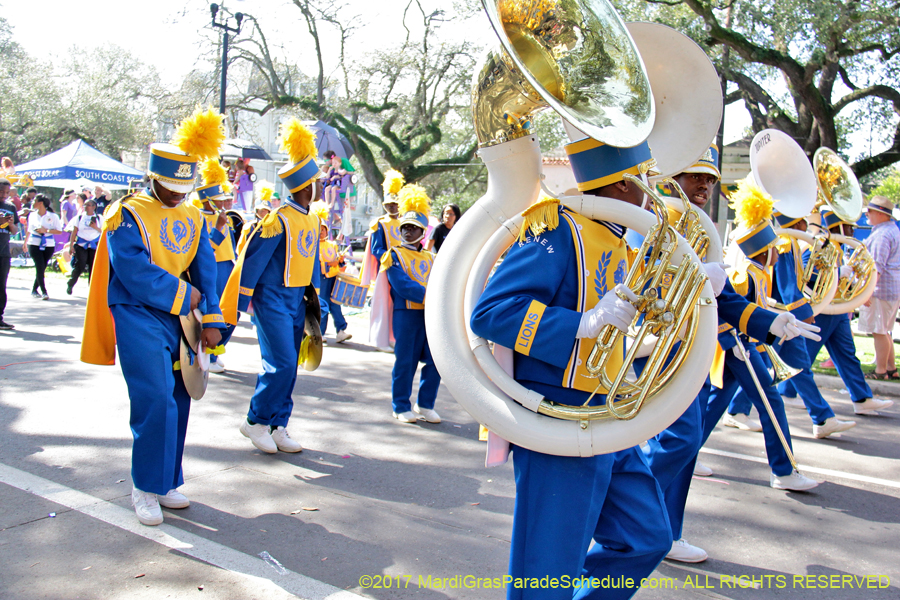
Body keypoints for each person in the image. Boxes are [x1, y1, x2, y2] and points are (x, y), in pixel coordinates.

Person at [470, 138, 677, 599]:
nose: (653, 186)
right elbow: (492, 312)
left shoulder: (622, 240)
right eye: (645, 176)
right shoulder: (557, 227)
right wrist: (582, 324)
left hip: (606, 413)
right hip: (559, 416)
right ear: (622, 185)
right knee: (546, 570)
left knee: (645, 538)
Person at [80, 106, 226, 527]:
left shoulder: (194, 214)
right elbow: (134, 271)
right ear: (154, 178)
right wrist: (188, 295)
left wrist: (212, 317)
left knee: (180, 395)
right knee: (156, 396)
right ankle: (144, 486)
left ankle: (167, 480)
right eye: (171, 186)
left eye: (185, 186)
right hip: (136, 311)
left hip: (181, 317)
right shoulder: (126, 213)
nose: (179, 193)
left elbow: (206, 270)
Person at [702, 177, 820, 492]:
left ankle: (689, 451)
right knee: (771, 401)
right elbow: (726, 309)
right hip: (735, 345)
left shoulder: (758, 273)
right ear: (763, 251)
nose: (778, 256)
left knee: (717, 402)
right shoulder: (743, 276)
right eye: (773, 250)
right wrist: (736, 343)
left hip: (741, 346)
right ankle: (783, 470)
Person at [221, 118, 322, 455]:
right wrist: (239, 304)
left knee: (290, 365)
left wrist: (314, 302)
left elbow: (312, 262)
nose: (320, 186)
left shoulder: (313, 218)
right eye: (317, 182)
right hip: (272, 298)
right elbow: (251, 263)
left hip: (297, 299)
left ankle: (279, 423)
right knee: (278, 363)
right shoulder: (276, 219)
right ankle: (255, 420)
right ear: (306, 186)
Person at [727, 209, 857, 439]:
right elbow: (788, 288)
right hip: (780, 317)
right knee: (772, 369)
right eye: (801, 221)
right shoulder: (785, 243)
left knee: (794, 366)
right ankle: (820, 418)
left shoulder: (790, 242)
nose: (805, 225)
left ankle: (821, 417)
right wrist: (804, 314)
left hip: (781, 317)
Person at [781, 208, 895, 415]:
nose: (852, 231)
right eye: (849, 227)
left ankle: (862, 397)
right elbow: (807, 273)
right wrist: (838, 273)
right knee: (803, 355)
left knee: (847, 355)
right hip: (824, 310)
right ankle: (786, 391)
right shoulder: (822, 244)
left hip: (837, 310)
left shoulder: (838, 248)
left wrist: (855, 290)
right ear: (839, 227)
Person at [377, 184, 440, 423]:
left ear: (423, 232)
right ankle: (400, 405)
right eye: (405, 227)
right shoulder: (393, 255)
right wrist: (432, 295)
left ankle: (425, 404)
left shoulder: (432, 258)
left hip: (430, 317)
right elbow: (402, 285)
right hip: (407, 316)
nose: (408, 232)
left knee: (436, 362)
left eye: (414, 228)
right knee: (405, 361)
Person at [195, 159, 239, 374]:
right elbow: (206, 250)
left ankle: (216, 351)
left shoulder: (222, 217)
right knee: (217, 312)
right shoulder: (200, 218)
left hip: (228, 267)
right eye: (218, 201)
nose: (223, 204)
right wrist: (219, 227)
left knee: (233, 312)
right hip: (214, 268)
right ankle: (210, 354)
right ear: (207, 201)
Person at [858, 195, 900, 379]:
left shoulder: (882, 234)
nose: (867, 213)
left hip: (881, 290)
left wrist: (866, 292)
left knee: (879, 331)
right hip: (890, 289)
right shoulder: (891, 230)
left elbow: (876, 267)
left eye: (871, 211)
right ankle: (890, 368)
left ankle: (881, 371)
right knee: (884, 330)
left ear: (881, 214)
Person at [313, 200, 352, 344]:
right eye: (319, 228)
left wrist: (339, 260)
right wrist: (330, 263)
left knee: (335, 303)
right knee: (322, 303)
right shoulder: (313, 244)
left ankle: (341, 330)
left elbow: (339, 262)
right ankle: (320, 332)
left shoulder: (332, 244)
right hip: (321, 277)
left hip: (333, 278)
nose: (322, 231)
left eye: (324, 229)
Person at [26, 194, 63, 300]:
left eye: (34, 201)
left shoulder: (53, 216)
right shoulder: (32, 215)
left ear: (40, 203)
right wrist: (25, 243)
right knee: (39, 266)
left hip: (48, 244)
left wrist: (46, 230)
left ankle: (34, 289)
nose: (32, 202)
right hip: (34, 243)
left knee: (42, 268)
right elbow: (29, 230)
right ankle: (44, 291)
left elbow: (59, 231)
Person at [65, 198, 103, 294]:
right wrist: (71, 245)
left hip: (94, 245)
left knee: (93, 267)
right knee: (80, 265)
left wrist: (95, 227)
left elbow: (104, 232)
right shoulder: (79, 217)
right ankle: (71, 283)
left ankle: (92, 289)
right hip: (81, 245)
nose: (86, 207)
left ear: (94, 207)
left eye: (88, 205)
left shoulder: (99, 218)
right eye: (85, 205)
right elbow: (74, 232)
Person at [0, 178, 18, 330]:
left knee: (1, 286)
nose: (4, 195)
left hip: (3, 252)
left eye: (7, 192)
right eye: (1, 191)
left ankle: (0, 317)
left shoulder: (10, 207)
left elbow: (14, 230)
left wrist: (10, 224)